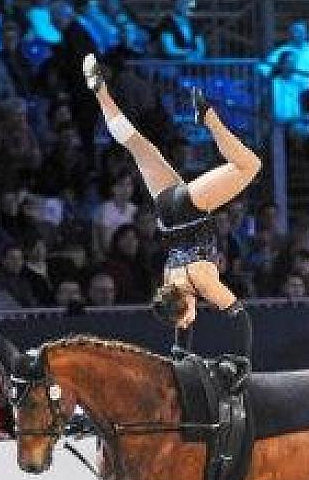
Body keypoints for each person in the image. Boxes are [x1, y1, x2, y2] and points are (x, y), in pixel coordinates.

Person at [83, 53, 261, 387]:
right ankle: (101, 92)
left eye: (185, 317)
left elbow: (241, 319)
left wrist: (242, 363)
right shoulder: (169, 282)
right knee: (137, 145)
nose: (188, 321)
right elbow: (182, 330)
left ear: (184, 305)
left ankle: (208, 118)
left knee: (250, 166)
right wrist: (179, 357)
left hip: (190, 209)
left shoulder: (201, 283)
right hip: (166, 210)